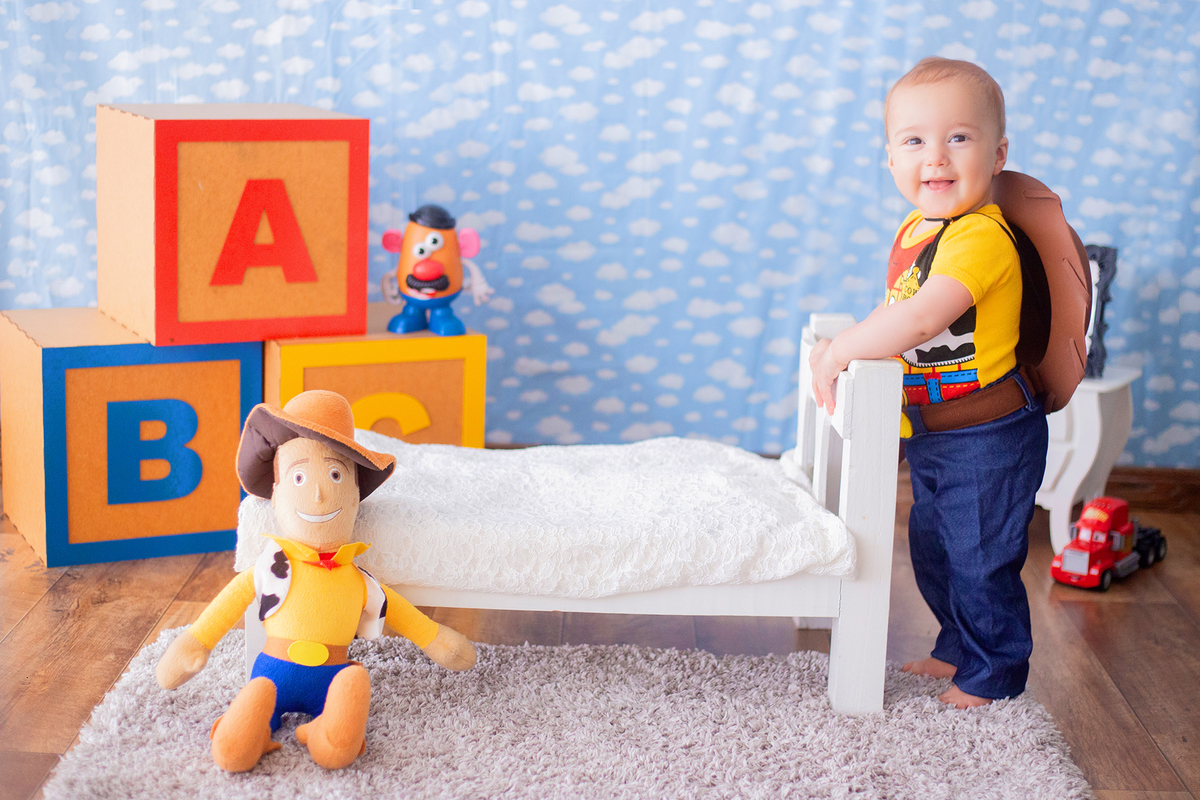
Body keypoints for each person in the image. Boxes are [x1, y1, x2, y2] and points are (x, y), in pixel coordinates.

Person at [809, 57, 1048, 709]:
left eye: (958, 138)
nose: (935, 157)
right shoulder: (919, 229)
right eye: (914, 140)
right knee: (935, 547)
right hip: (936, 431)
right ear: (890, 158)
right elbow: (896, 305)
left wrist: (837, 351)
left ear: (997, 153)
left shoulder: (980, 237)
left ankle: (996, 671)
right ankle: (957, 645)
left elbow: (919, 317)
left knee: (979, 554)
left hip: (988, 431)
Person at [155, 390, 477, 770]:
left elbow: (405, 616)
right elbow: (223, 609)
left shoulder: (358, 579)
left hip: (334, 676)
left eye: (336, 474)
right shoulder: (271, 566)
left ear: (356, 492)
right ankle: (249, 731)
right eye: (300, 475)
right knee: (235, 747)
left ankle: (324, 733)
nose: (321, 493)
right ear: (276, 492)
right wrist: (194, 644)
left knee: (349, 697)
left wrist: (438, 642)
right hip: (272, 674)